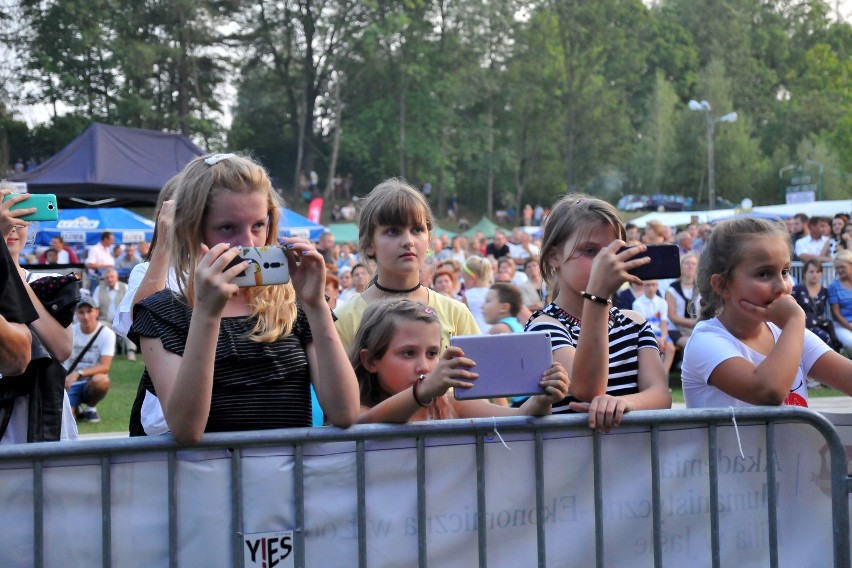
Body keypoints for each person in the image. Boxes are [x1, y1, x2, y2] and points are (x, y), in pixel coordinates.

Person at [128, 154, 359, 443]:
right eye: (228, 227)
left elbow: (345, 411)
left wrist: (316, 305)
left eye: (258, 226)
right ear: (194, 227)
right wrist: (207, 315)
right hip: (210, 482)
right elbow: (187, 429)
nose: (248, 243)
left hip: (290, 480)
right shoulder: (161, 312)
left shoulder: (293, 303)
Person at [524, 195, 671, 432]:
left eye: (613, 251)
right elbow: (587, 389)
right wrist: (598, 297)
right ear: (554, 256)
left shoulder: (634, 322)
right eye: (590, 251)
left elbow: (661, 395)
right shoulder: (544, 327)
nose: (605, 261)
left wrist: (623, 403)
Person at [681, 217, 852, 409]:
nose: (782, 287)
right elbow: (768, 391)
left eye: (785, 271)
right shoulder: (706, 340)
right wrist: (795, 321)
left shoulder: (787, 333)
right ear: (722, 284)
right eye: (764, 274)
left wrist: (792, 326)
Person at [351, 299, 568, 423]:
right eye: (408, 353)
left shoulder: (449, 403)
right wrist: (422, 391)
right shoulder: (353, 408)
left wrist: (542, 399)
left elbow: (517, 417)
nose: (424, 367)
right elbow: (367, 423)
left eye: (432, 353)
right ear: (370, 360)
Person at [333, 178, 479, 353]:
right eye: (393, 231)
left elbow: (483, 377)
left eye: (417, 230)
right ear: (369, 244)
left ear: (429, 239)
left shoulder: (456, 314)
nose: (408, 241)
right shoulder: (344, 319)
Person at [1, 189, 77, 443]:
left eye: (19, 219)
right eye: (4, 218)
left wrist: (15, 277)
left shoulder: (50, 283)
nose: (11, 227)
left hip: (46, 410)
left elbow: (62, 349)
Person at [64, 296, 115, 422]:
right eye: (81, 312)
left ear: (96, 312)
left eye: (89, 311)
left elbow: (105, 367)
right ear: (76, 314)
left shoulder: (107, 334)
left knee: (102, 380)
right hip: (68, 381)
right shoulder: (70, 331)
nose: (85, 317)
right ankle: (76, 407)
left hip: (89, 380)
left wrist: (78, 374)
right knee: (66, 419)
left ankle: (91, 407)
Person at [791, 259, 840, 353]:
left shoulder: (824, 290)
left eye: (818, 272)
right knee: (822, 337)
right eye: (811, 271)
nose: (815, 275)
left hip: (819, 325)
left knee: (826, 337)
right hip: (801, 325)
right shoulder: (797, 289)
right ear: (805, 273)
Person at [632, 280, 675, 375]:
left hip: (660, 334)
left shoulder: (662, 302)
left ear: (657, 286)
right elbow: (642, 325)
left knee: (670, 349)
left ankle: (662, 375)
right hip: (645, 333)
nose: (651, 288)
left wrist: (663, 338)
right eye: (648, 285)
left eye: (653, 285)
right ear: (643, 286)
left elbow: (664, 322)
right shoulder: (637, 303)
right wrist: (656, 339)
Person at [665, 253, 699, 351]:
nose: (690, 266)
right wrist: (694, 322)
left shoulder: (701, 288)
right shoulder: (672, 289)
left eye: (693, 264)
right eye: (687, 263)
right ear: (681, 266)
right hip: (677, 329)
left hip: (697, 328)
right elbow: (672, 316)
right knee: (693, 345)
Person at [460, 255, 493, 334]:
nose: (463, 282)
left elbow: (463, 320)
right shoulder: (494, 291)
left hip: (476, 333)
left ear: (472, 278)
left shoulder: (467, 296)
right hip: (495, 333)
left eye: (464, 279)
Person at [828, 250, 852, 353]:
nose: (839, 270)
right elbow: (836, 313)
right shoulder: (834, 286)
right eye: (837, 268)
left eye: (842, 267)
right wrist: (850, 327)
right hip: (841, 325)